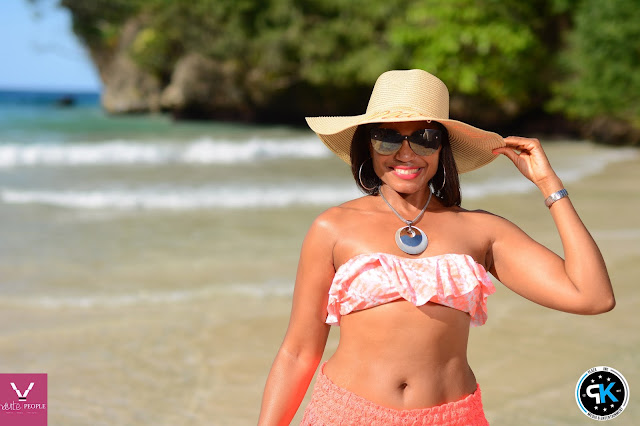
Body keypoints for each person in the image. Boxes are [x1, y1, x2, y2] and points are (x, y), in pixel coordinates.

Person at [258, 69, 614, 425]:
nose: (406, 153)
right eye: (387, 138)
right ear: (368, 144)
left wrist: (549, 185)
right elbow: (298, 352)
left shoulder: (481, 230)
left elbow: (592, 296)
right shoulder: (333, 227)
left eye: (424, 138)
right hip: (346, 415)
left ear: (443, 147)